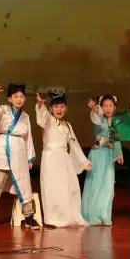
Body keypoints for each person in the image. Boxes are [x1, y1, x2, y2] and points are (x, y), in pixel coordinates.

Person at [0, 82, 40, 230]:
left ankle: (29, 216)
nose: (19, 99)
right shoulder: (4, 110)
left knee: (24, 183)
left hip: (19, 150)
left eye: (21, 96)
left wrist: (30, 158)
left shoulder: (25, 116)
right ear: (9, 99)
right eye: (15, 96)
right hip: (3, 148)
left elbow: (29, 137)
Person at [36, 89, 90, 228]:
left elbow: (74, 144)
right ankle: (53, 218)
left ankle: (68, 216)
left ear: (66, 108)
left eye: (62, 106)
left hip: (64, 159)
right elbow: (41, 119)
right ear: (51, 108)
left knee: (69, 187)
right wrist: (41, 106)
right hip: (50, 158)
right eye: (56, 106)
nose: (59, 109)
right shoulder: (48, 120)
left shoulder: (68, 125)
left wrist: (84, 162)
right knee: (52, 188)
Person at [81, 95, 124, 226]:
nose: (108, 108)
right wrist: (95, 108)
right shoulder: (99, 118)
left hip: (109, 155)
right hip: (98, 154)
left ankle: (104, 215)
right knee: (96, 184)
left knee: (108, 186)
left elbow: (116, 139)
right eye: (105, 105)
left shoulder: (116, 122)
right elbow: (97, 114)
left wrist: (119, 154)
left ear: (115, 107)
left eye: (111, 105)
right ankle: (93, 215)